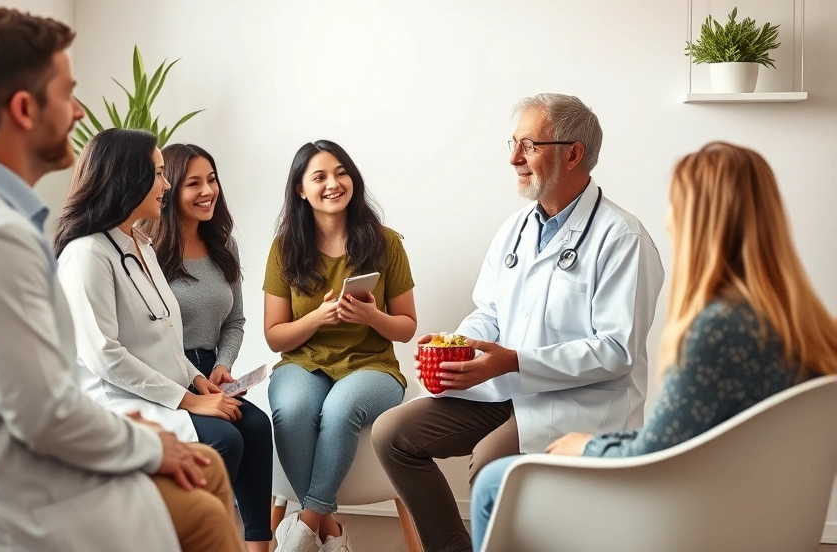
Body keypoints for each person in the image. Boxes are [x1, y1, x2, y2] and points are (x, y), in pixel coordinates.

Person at [0, 8, 240, 552]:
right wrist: (148, 443)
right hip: (11, 490)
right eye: (68, 93)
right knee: (204, 507)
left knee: (207, 465)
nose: (79, 111)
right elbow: (45, 410)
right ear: (24, 109)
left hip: (27, 451)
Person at [469, 141, 837, 550]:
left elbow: (660, 449)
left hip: (688, 516)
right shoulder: (807, 324)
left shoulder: (717, 329)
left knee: (494, 484)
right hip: (767, 514)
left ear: (699, 219)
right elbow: (690, 436)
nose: (668, 218)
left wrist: (588, 445)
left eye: (676, 204)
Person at [371, 93, 665, 552]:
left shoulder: (622, 238)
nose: (513, 159)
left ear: (573, 153)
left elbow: (616, 350)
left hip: (577, 400)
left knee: (490, 462)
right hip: (506, 387)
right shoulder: (516, 229)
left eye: (528, 145)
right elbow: (489, 310)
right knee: (392, 434)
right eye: (513, 144)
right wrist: (460, 344)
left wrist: (513, 362)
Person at [53, 131, 269, 551]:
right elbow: (104, 356)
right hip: (118, 399)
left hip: (167, 388)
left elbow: (166, 333)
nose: (165, 185)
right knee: (224, 440)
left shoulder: (141, 244)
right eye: (157, 174)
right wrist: (190, 400)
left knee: (254, 427)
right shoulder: (86, 254)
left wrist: (197, 379)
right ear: (127, 179)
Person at [264, 140, 418, 552]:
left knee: (340, 408)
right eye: (319, 176)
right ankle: (330, 533)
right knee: (292, 409)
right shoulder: (284, 248)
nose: (333, 183)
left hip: (373, 366)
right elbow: (275, 334)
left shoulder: (386, 243)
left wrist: (371, 317)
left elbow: (405, 328)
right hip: (303, 363)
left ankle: (307, 525)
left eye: (341, 172)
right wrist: (317, 318)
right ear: (300, 189)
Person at [142, 142, 274, 551]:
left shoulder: (224, 246)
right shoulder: (147, 252)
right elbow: (153, 335)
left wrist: (223, 366)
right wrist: (196, 379)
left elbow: (234, 321)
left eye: (212, 180)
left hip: (212, 373)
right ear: (169, 190)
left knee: (256, 425)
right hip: (169, 374)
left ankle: (257, 545)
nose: (207, 191)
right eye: (193, 183)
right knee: (227, 437)